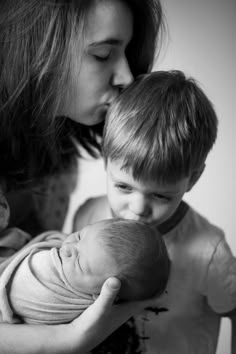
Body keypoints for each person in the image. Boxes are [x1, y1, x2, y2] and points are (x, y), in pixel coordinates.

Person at [0, 0, 166, 353]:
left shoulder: (55, 151)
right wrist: (62, 341)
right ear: (36, 48)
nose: (126, 77)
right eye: (103, 55)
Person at [73, 70, 236, 354]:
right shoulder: (87, 217)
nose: (138, 209)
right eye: (124, 187)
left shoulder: (209, 253)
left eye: (161, 195)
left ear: (193, 179)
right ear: (107, 161)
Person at [0, 219, 170, 325]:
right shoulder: (71, 250)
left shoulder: (85, 307)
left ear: (104, 294)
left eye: (80, 263)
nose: (68, 247)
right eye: (80, 236)